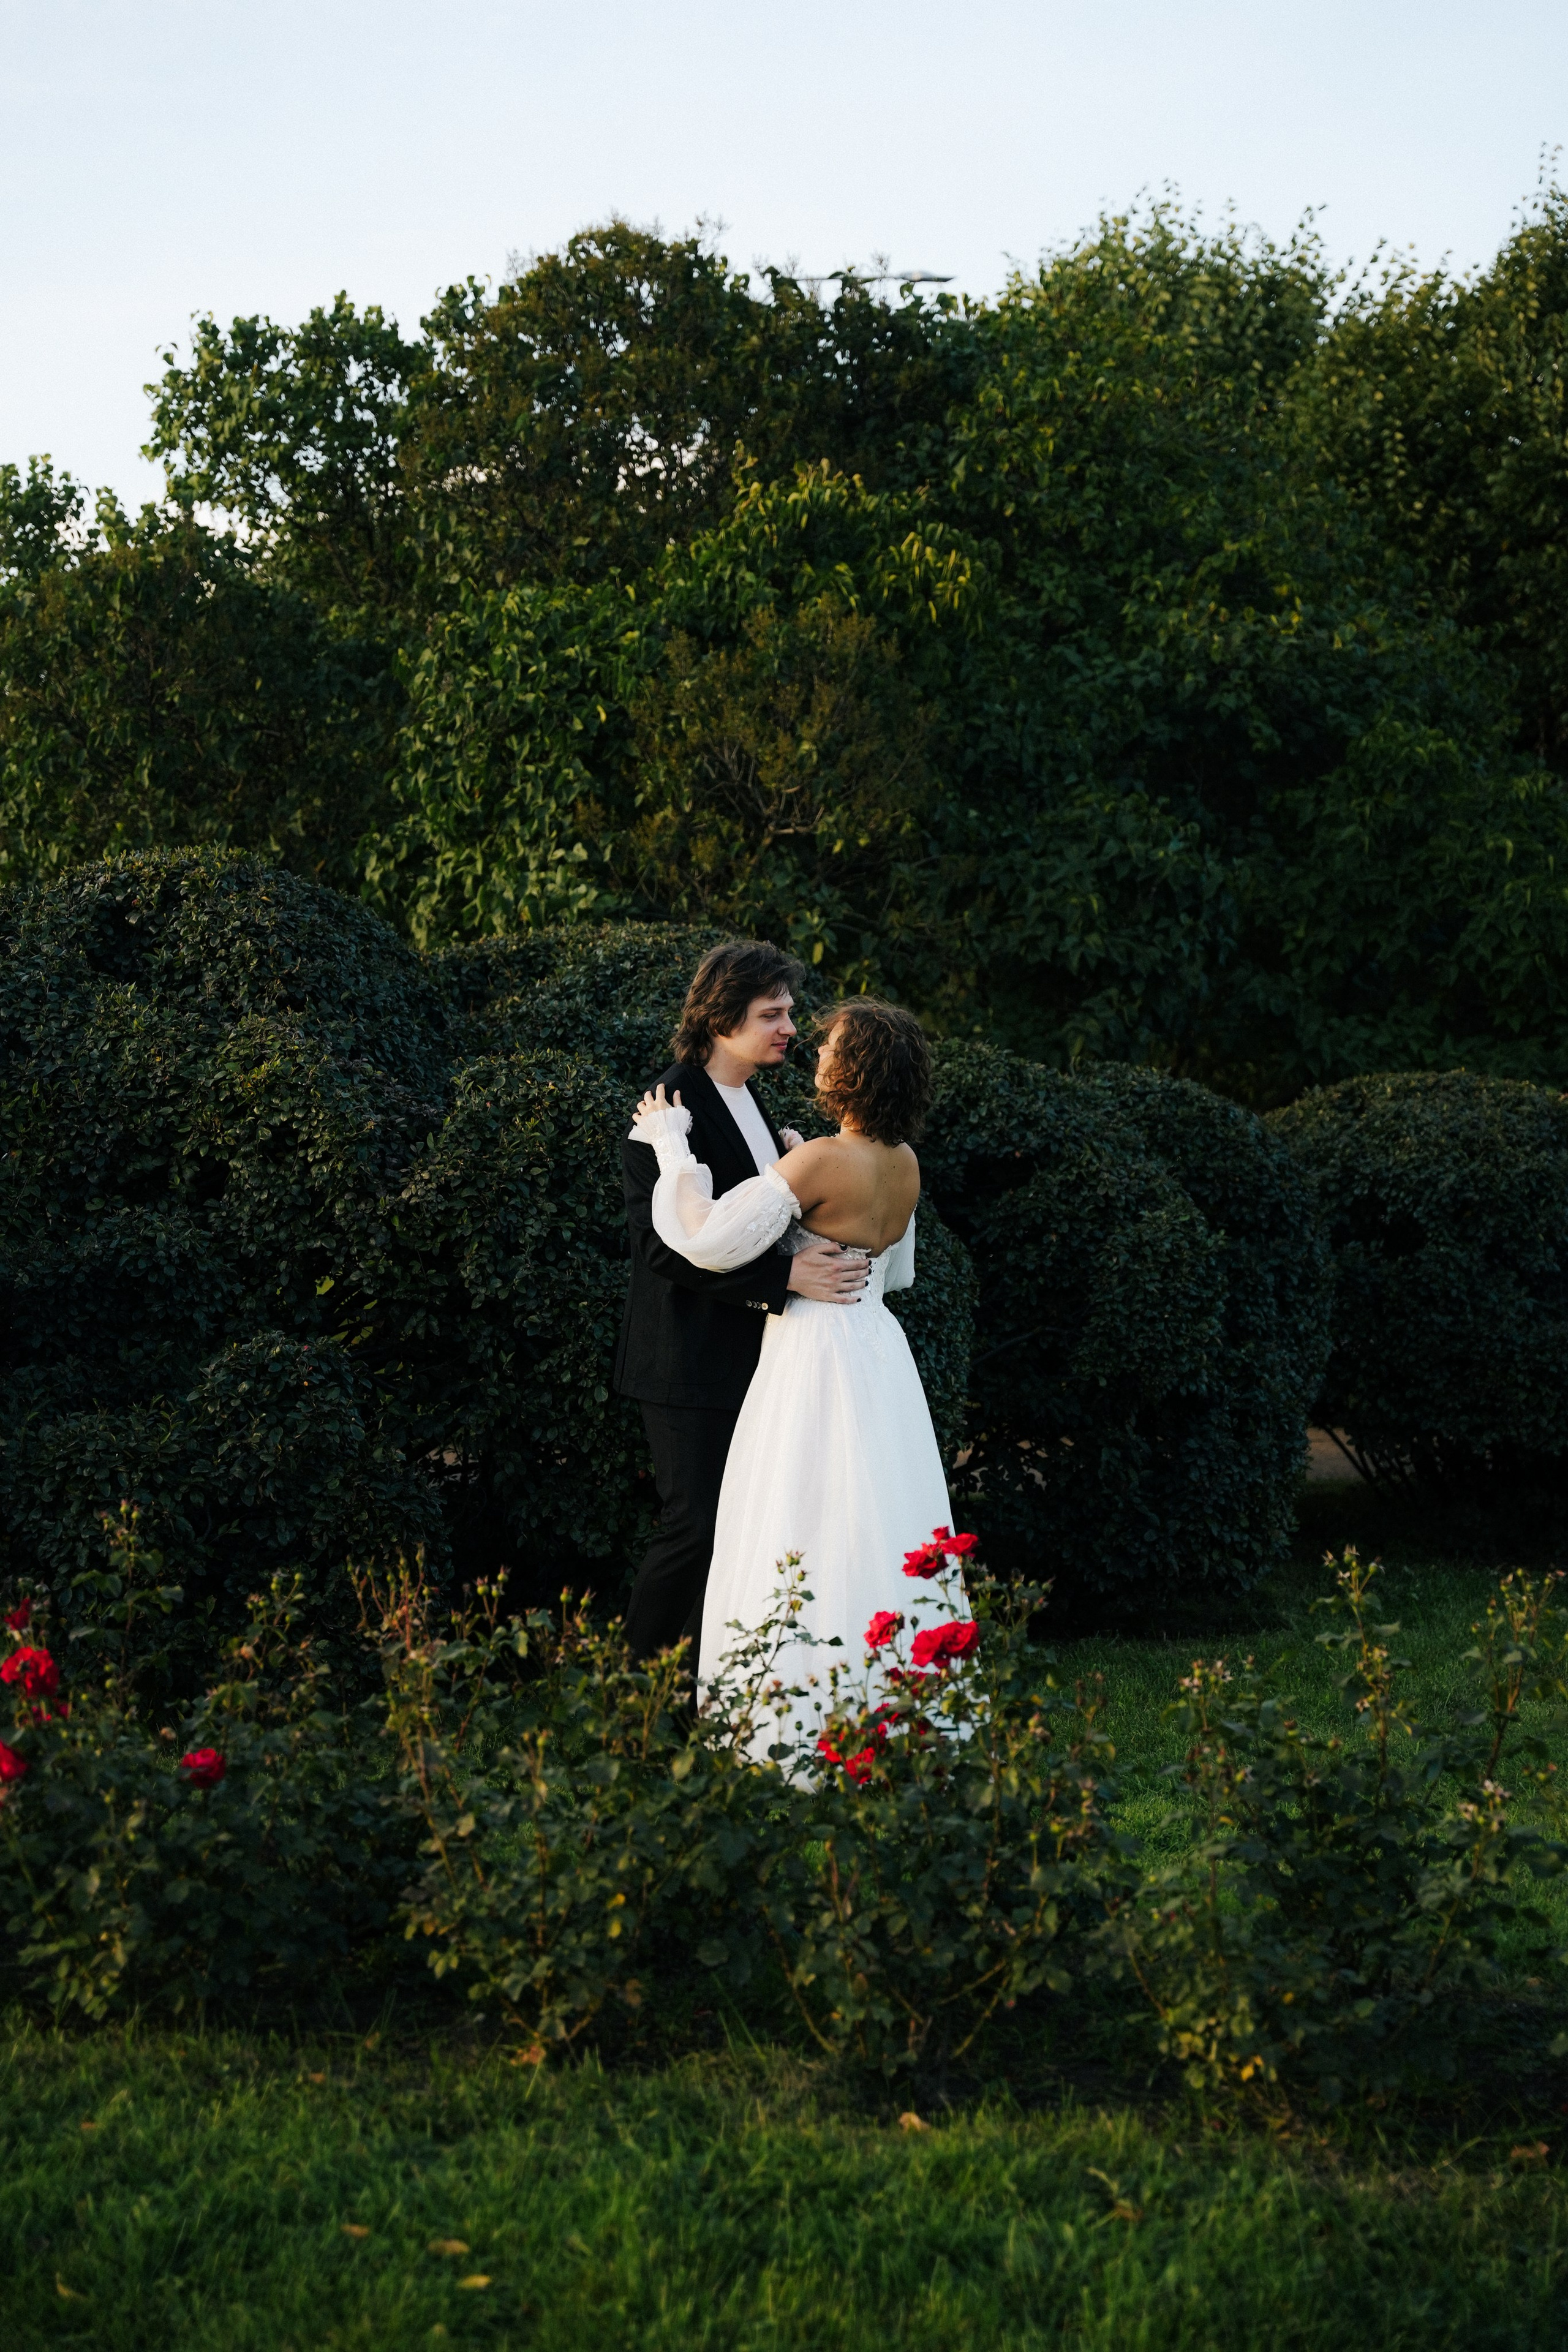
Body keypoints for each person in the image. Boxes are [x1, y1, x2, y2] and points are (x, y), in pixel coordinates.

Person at [628, 997, 954, 1751]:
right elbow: (892, 1272)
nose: (815, 1051)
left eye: (831, 1046)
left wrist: (674, 1150)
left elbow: (706, 1239)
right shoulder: (903, 1163)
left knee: (795, 1513)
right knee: (868, 1513)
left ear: (856, 1070)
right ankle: (888, 1701)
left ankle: (791, 1714)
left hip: (811, 1350)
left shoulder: (812, 1162)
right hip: (876, 1346)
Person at [613, 941, 869, 1661]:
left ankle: (707, 1691)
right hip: (685, 1358)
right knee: (692, 1525)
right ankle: (632, 1696)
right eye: (773, 1014)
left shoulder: (752, 1097)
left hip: (749, 1354)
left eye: (788, 1011)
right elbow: (663, 1252)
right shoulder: (666, 1109)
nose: (790, 1026)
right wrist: (782, 1283)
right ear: (722, 1018)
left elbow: (748, 1218)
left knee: (741, 1523)